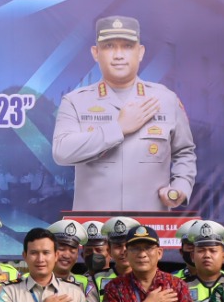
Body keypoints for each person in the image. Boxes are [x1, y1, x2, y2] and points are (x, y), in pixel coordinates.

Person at [50, 16, 197, 212]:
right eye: (109, 46)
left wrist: (181, 187)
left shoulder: (166, 100)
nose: (118, 55)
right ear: (96, 53)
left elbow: (184, 152)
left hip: (148, 232)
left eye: (127, 46)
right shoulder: (75, 101)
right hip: (94, 232)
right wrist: (118, 128)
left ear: (141, 52)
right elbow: (62, 152)